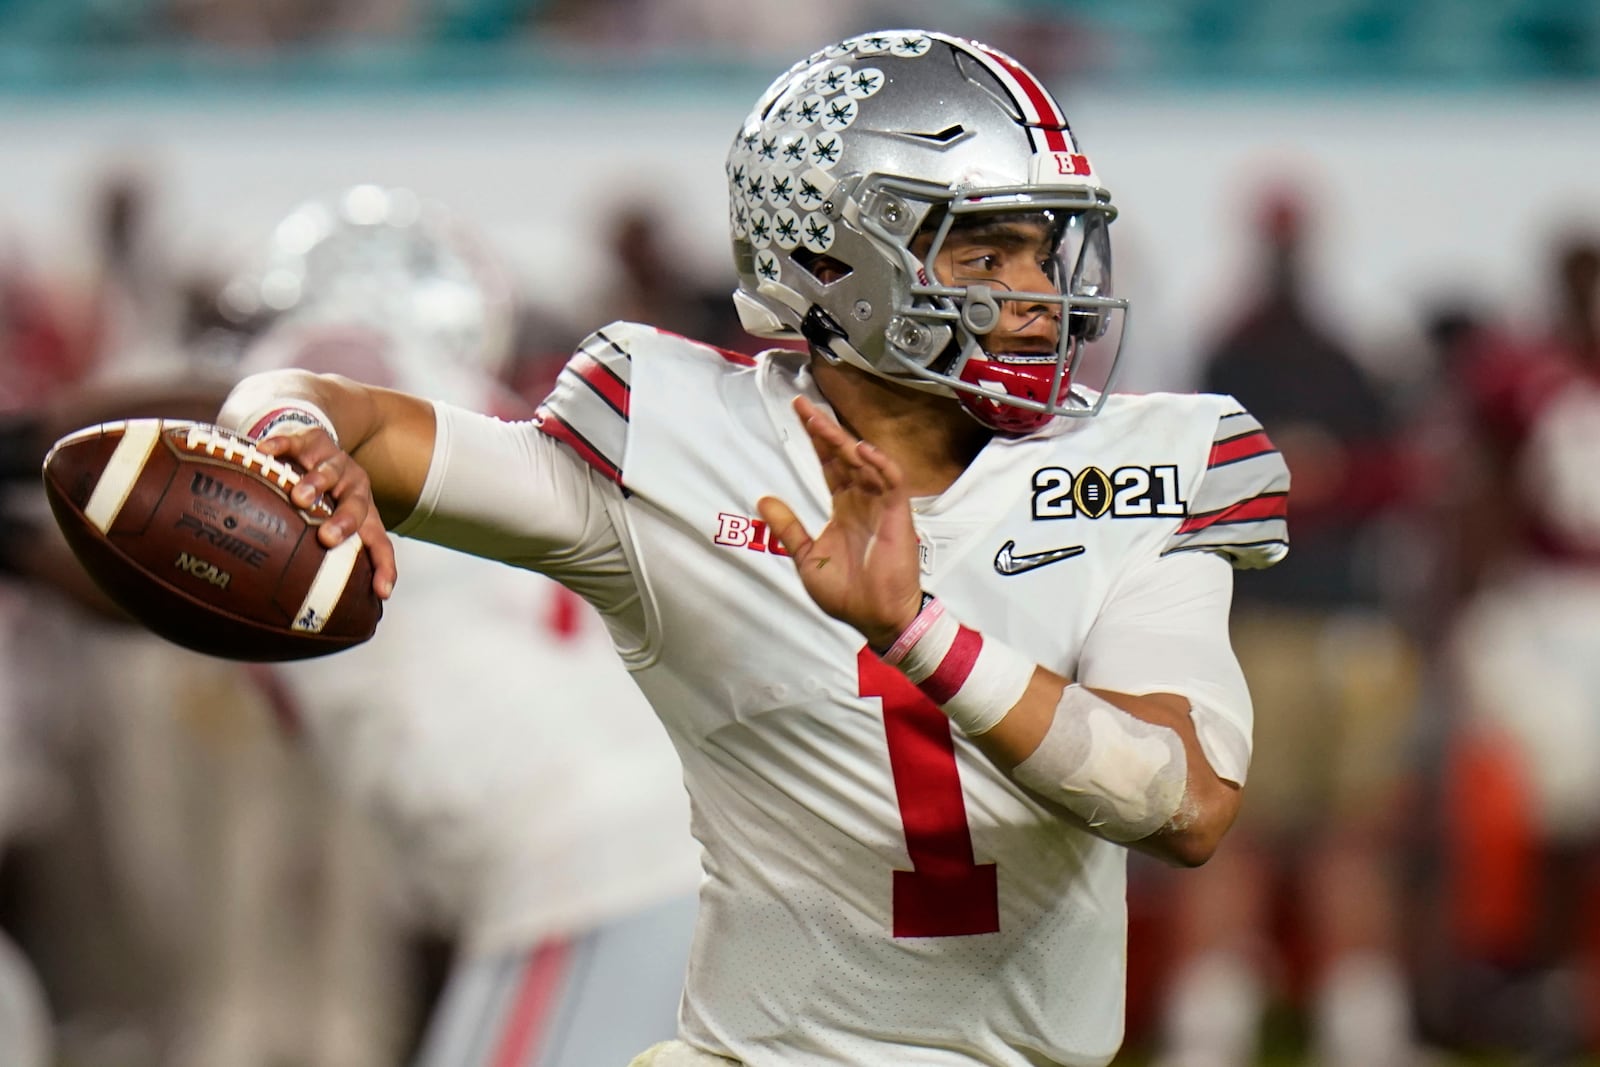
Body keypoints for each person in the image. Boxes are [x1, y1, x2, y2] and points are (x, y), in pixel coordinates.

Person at [216, 30, 1290, 1067]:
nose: (1039, 295)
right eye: (985, 249)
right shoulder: (669, 438)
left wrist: (915, 632)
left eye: (1042, 248)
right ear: (837, 257)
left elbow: (1182, 801)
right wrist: (284, 435)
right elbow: (323, 403)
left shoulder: (1143, 465)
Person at [1151, 185, 1420, 1067]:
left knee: (1348, 838)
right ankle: (1212, 1033)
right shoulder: (1240, 349)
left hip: (1335, 616)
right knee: (1239, 836)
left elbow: (1396, 475)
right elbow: (1189, 483)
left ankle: (1360, 1032)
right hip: (1259, 622)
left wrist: (1329, 477)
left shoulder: (1339, 355)